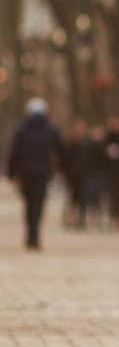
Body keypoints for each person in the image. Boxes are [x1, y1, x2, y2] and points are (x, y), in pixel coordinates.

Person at [5, 98, 64, 250]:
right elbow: (61, 149)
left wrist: (11, 172)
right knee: (38, 203)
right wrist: (62, 168)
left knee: (29, 203)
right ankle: (34, 234)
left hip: (26, 172)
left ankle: (30, 233)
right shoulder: (50, 128)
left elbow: (14, 152)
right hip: (43, 172)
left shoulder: (22, 128)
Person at [61, 118, 88, 229]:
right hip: (72, 175)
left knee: (82, 198)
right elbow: (65, 159)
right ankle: (71, 218)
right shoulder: (70, 143)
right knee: (72, 198)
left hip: (83, 175)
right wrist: (65, 172)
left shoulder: (86, 143)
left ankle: (80, 219)